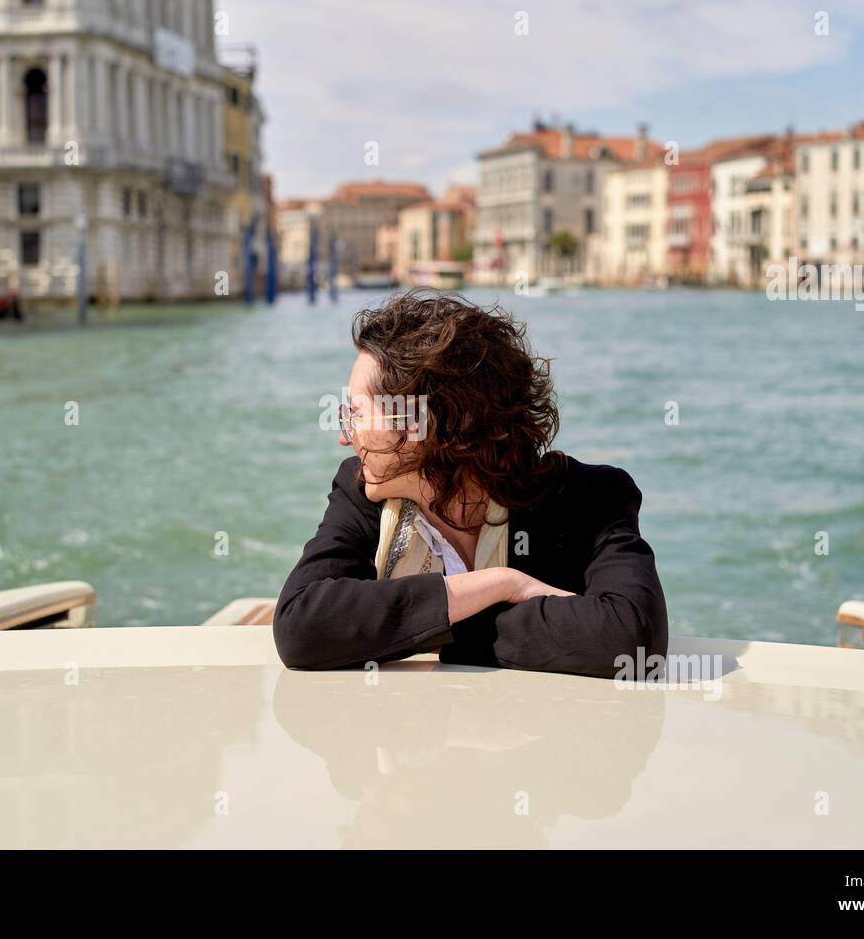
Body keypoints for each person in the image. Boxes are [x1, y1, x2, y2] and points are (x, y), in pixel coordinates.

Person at [274, 288, 668, 678]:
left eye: (358, 415)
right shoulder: (361, 489)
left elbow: (632, 639)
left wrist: (433, 628)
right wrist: (501, 584)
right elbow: (300, 627)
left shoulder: (591, 498)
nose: (346, 436)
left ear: (425, 427)